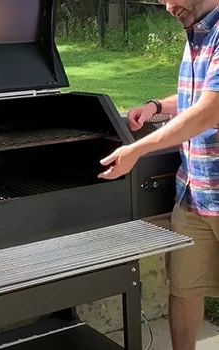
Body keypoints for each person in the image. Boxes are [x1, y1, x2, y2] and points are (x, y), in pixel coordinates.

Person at [98, 2, 219, 350]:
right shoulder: (197, 33)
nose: (168, 6)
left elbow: (207, 112)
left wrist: (137, 149)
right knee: (183, 289)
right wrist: (156, 107)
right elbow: (195, 99)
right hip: (193, 193)